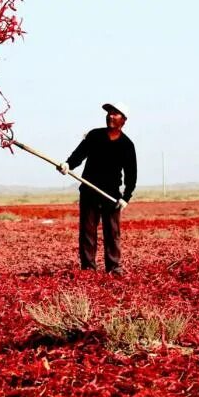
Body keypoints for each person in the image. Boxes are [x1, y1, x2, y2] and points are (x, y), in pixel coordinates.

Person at [58, 103, 137, 273]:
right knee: (87, 232)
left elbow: (131, 175)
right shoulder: (94, 136)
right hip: (89, 191)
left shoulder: (127, 145)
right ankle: (88, 269)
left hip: (111, 195)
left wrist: (126, 197)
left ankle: (114, 267)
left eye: (115, 114)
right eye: (109, 113)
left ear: (124, 120)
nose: (110, 116)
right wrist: (68, 165)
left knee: (112, 233)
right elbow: (79, 155)